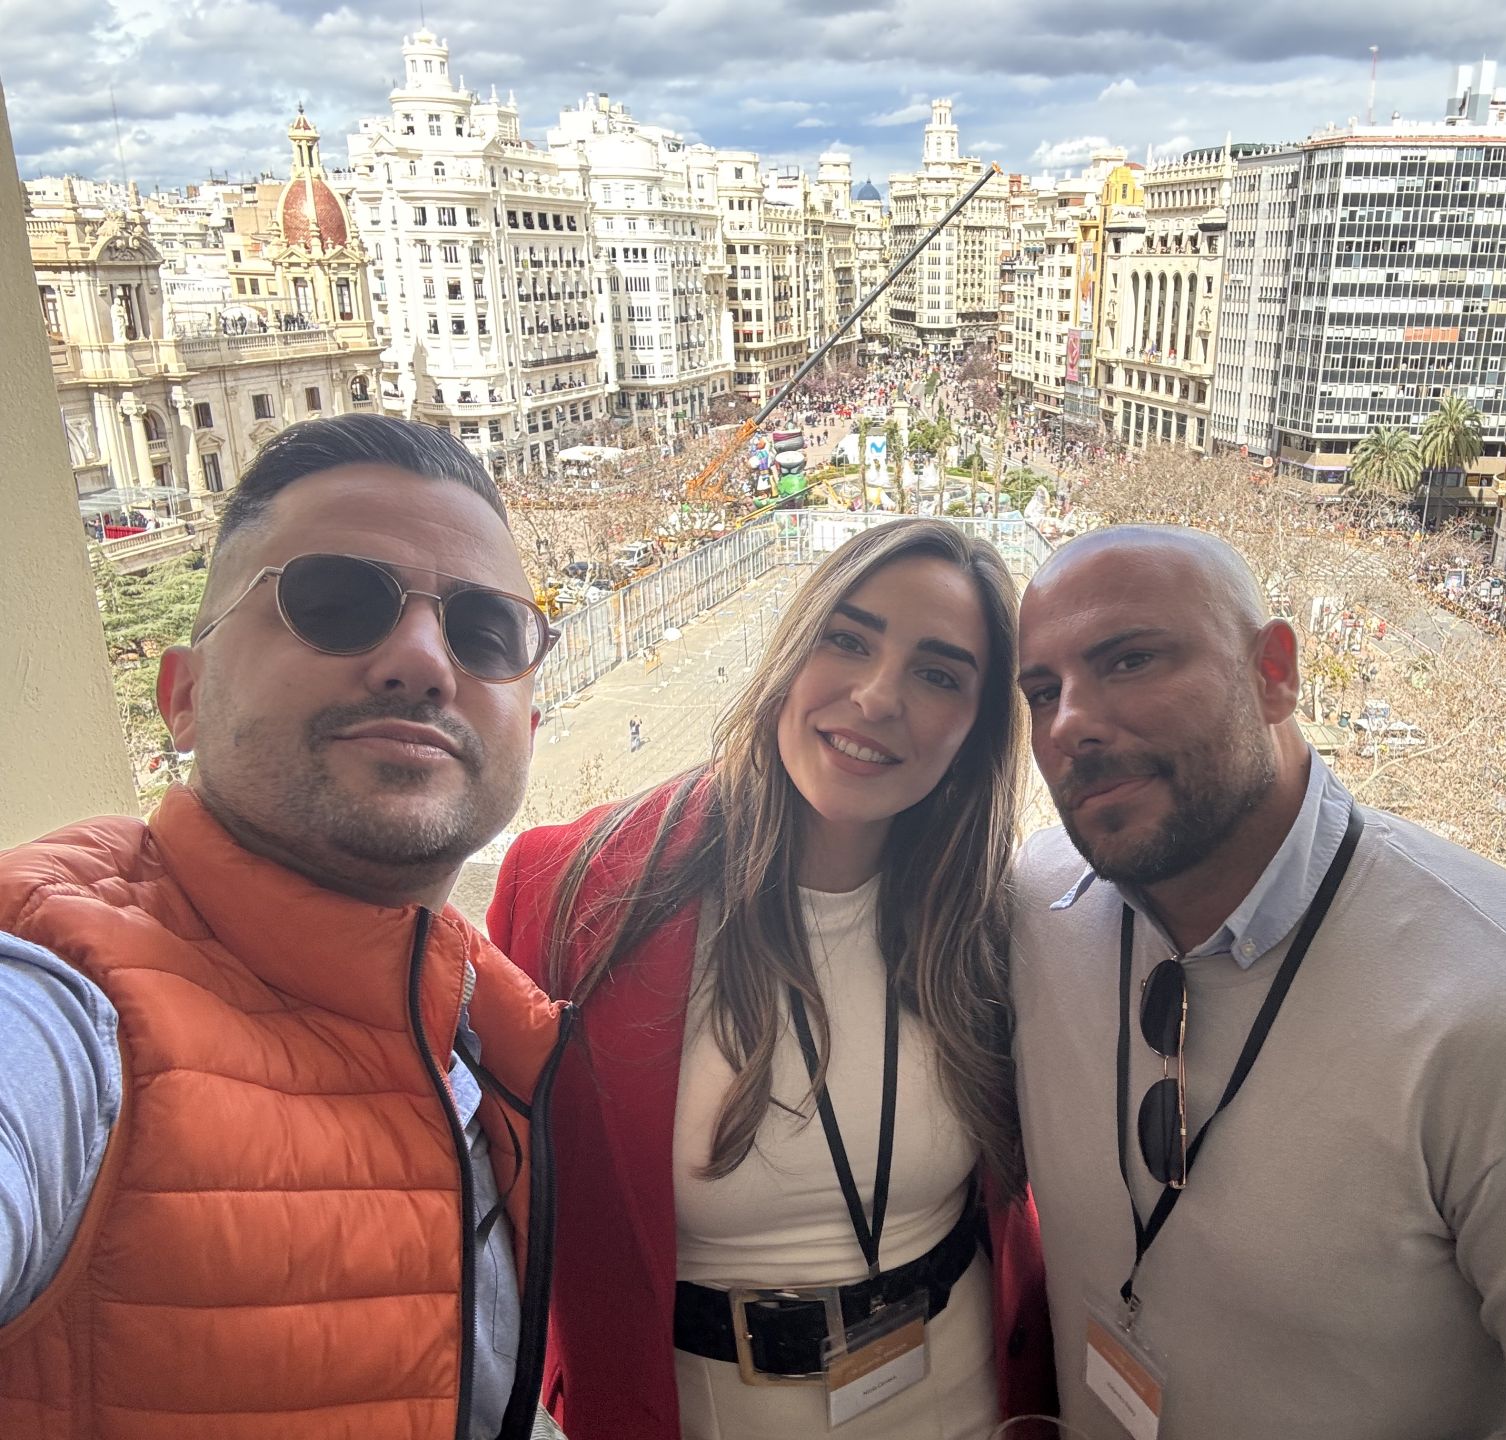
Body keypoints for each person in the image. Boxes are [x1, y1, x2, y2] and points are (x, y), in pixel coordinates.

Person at [1008, 525, 1506, 1439]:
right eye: (1041, 692)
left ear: (1274, 672)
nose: (1069, 723)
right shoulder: (1036, 905)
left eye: (1129, 660)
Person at [0, 414, 570, 1438]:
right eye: (337, 604)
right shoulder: (63, 1003)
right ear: (184, 695)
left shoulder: (485, 1028)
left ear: (526, 728)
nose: (423, 661)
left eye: (484, 630)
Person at [488, 519, 1052, 1439]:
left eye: (939, 674)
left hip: (964, 1403)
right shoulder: (571, 894)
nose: (877, 697)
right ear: (792, 650)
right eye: (849, 639)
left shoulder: (995, 918)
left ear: (976, 728)